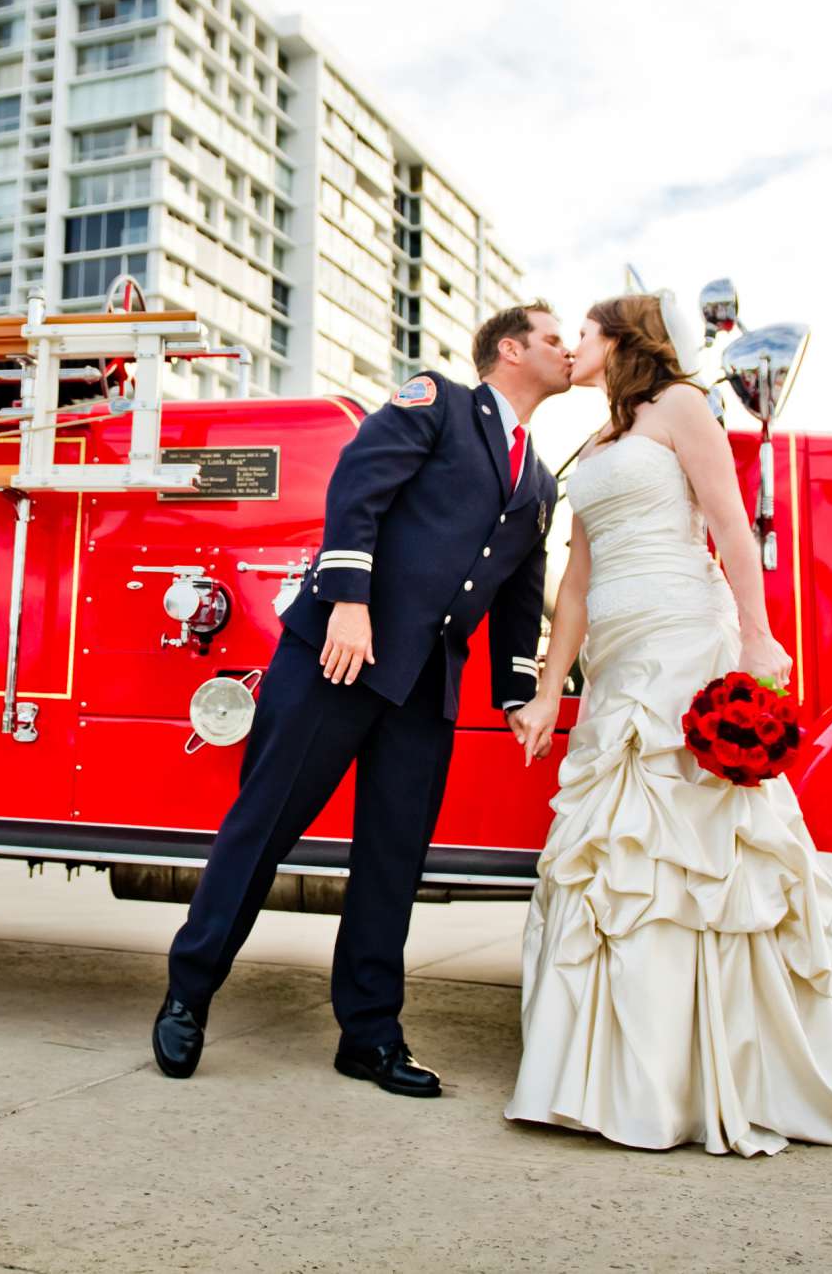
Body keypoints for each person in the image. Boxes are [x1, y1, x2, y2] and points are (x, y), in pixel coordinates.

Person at [504, 292, 832, 1155]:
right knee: (616, 850)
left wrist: (757, 637)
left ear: (622, 339)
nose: (574, 345)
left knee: (698, 840)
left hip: (685, 631)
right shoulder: (599, 442)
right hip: (614, 656)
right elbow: (573, 583)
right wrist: (544, 687)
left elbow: (728, 526)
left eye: (587, 333)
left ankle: (713, 1069)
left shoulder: (683, 407)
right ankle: (613, 1072)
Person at [154, 303, 572, 1096]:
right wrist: (349, 597)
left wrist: (518, 692)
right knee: (264, 826)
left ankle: (369, 1036)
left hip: (425, 684)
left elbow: (518, 591)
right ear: (511, 350)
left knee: (393, 860)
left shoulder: (540, 480)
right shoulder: (439, 401)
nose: (569, 351)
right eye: (554, 338)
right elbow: (359, 485)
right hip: (337, 656)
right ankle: (189, 992)